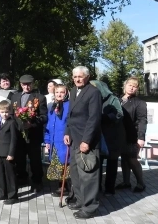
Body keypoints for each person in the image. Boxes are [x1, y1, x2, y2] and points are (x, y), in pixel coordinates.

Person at [63, 66, 102, 219]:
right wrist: (67, 132)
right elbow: (70, 115)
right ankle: (80, 201)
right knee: (76, 173)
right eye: (75, 77)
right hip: (74, 139)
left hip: (87, 141)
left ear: (87, 77)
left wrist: (86, 141)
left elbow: (94, 119)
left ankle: (90, 207)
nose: (77, 79)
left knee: (88, 175)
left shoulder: (94, 93)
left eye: (80, 76)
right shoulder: (73, 91)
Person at [10, 74, 48, 191]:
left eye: (29, 84)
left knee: (35, 159)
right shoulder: (15, 97)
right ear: (21, 85)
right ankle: (22, 177)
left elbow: (44, 117)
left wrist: (32, 124)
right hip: (18, 133)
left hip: (33, 134)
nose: (27, 87)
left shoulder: (39, 97)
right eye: (24, 84)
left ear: (33, 84)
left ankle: (37, 180)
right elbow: (12, 114)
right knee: (20, 158)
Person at [89, 80, 124, 195]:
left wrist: (105, 117)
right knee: (97, 163)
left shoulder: (112, 99)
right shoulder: (91, 98)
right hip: (97, 135)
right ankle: (96, 187)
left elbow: (119, 114)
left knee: (112, 163)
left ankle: (109, 188)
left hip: (111, 136)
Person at [116, 77, 147, 193]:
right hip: (119, 135)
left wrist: (141, 138)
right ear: (125, 86)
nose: (132, 87)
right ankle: (126, 182)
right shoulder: (118, 100)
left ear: (137, 89)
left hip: (132, 136)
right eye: (130, 85)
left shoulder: (139, 103)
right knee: (124, 159)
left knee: (132, 159)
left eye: (135, 86)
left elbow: (142, 120)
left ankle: (141, 183)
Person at [44, 84, 70, 197]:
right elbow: (49, 126)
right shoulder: (52, 107)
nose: (59, 94)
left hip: (64, 141)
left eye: (62, 92)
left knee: (65, 164)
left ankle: (67, 187)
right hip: (54, 141)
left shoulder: (69, 106)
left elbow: (70, 123)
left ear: (66, 93)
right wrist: (47, 141)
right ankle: (61, 186)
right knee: (57, 164)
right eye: (57, 92)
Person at [0, 100, 19, 205]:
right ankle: (3, 192)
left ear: (10, 112)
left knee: (10, 175)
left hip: (8, 154)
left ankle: (13, 195)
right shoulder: (0, 122)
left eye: (7, 112)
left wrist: (11, 154)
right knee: (1, 174)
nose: (5, 114)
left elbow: (14, 139)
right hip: (0, 153)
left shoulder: (12, 123)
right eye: (3, 112)